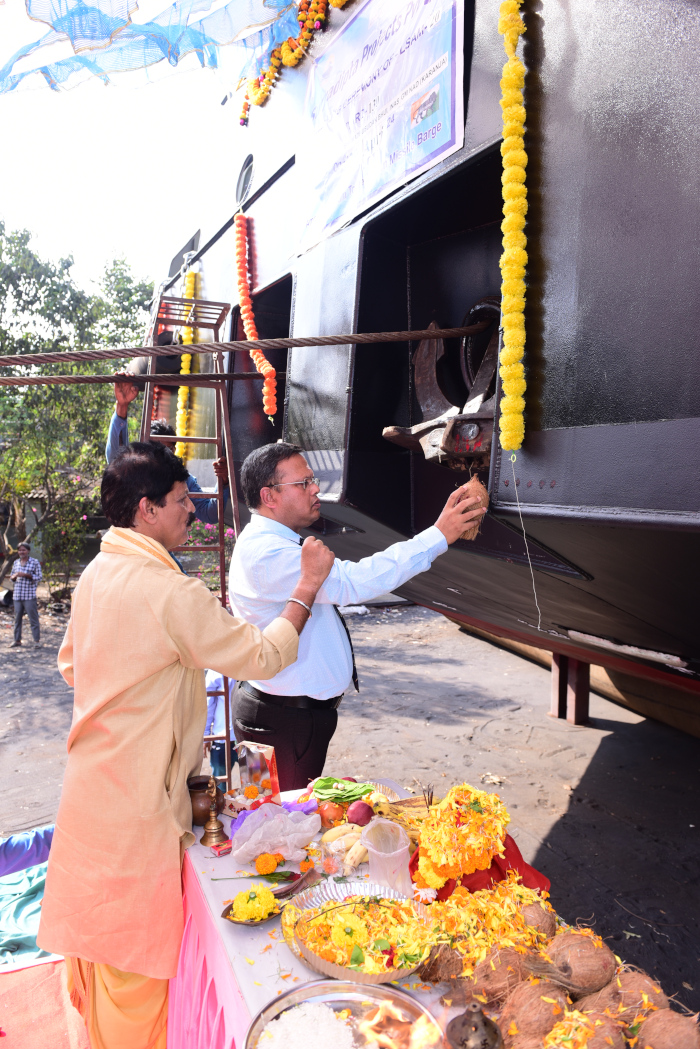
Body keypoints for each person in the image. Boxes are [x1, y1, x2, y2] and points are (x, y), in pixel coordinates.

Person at [37, 441, 334, 1049]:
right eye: (180, 501)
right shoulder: (170, 592)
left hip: (91, 789)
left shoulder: (97, 573)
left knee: (100, 943)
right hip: (136, 805)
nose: (191, 511)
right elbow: (263, 656)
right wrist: (306, 586)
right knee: (134, 963)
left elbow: (72, 664)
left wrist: (146, 682)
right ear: (146, 510)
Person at [229, 442, 488, 790]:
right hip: (282, 721)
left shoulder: (267, 542)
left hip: (274, 713)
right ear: (269, 496)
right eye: (303, 483)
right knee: (278, 814)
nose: (315, 489)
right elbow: (354, 582)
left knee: (264, 806)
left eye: (313, 479)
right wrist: (438, 535)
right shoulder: (268, 553)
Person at [106, 356, 229, 525]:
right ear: (145, 452)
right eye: (157, 450)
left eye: (168, 450)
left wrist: (223, 481)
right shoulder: (136, 474)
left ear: (173, 451)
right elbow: (115, 459)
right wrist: (122, 406)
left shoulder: (183, 480)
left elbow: (210, 514)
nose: (163, 456)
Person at [204, 668, 237, 781]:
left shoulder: (217, 666)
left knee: (220, 784)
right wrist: (206, 734)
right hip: (247, 735)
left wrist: (206, 735)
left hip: (224, 735)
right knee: (255, 783)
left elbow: (208, 703)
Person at [9, 542, 42, 649]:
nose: (21, 552)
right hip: (17, 596)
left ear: (28, 551)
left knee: (33, 619)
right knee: (17, 619)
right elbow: (11, 578)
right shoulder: (16, 563)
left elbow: (39, 577)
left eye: (23, 550)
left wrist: (26, 575)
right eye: (20, 550)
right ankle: (17, 640)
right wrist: (14, 577)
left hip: (29, 596)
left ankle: (36, 641)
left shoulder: (34, 562)